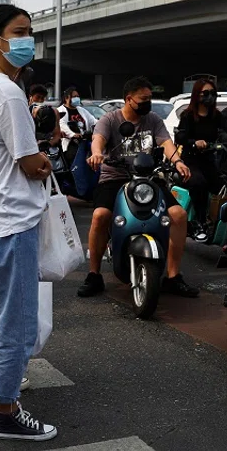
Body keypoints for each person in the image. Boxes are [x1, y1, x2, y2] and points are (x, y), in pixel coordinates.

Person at [0, 3, 56, 441]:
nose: (28, 40)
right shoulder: (6, 91)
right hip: (13, 218)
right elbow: (29, 162)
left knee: (4, 312)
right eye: (19, 32)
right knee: (17, 321)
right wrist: (45, 162)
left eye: (30, 31)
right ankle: (7, 410)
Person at [78, 76, 199, 299]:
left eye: (150, 98)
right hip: (115, 178)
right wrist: (97, 153)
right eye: (143, 99)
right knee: (100, 216)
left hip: (149, 178)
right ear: (129, 99)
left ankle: (173, 276)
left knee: (179, 215)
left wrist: (178, 161)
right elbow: (98, 139)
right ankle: (94, 274)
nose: (148, 103)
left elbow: (166, 143)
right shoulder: (110, 119)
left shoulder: (153, 120)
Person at [175, 79, 227, 227]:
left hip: (209, 160)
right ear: (197, 95)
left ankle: (224, 224)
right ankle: (199, 222)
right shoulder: (188, 115)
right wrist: (194, 142)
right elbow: (180, 137)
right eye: (205, 93)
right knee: (199, 183)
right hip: (191, 161)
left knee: (224, 187)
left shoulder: (216, 115)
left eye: (212, 93)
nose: (210, 96)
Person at [57, 86, 97, 155]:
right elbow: (62, 125)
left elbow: (93, 120)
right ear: (66, 98)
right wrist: (73, 134)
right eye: (74, 96)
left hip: (84, 142)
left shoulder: (81, 110)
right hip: (71, 145)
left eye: (78, 96)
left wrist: (102, 124)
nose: (77, 98)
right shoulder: (60, 111)